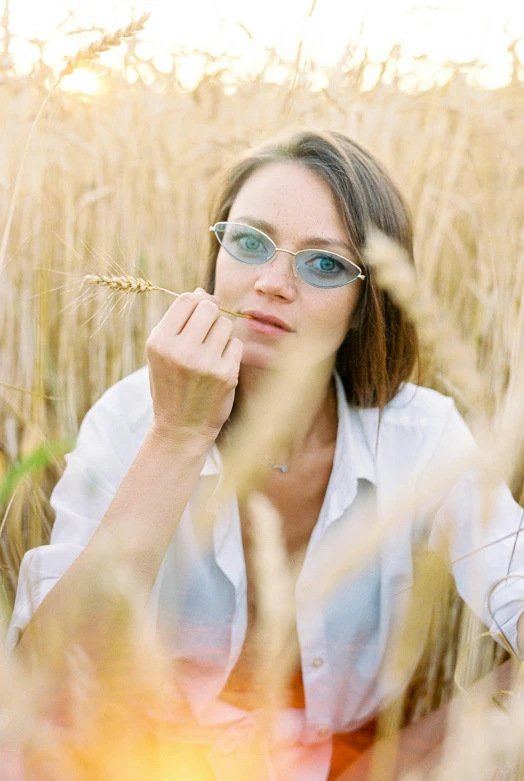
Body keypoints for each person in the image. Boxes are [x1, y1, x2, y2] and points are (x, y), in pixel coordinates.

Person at [6, 129, 524, 781]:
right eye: (250, 242)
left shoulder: (420, 435)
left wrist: (414, 758)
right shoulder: (132, 415)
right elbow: (44, 681)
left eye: (324, 263)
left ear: (368, 303)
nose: (273, 282)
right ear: (216, 255)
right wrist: (178, 435)